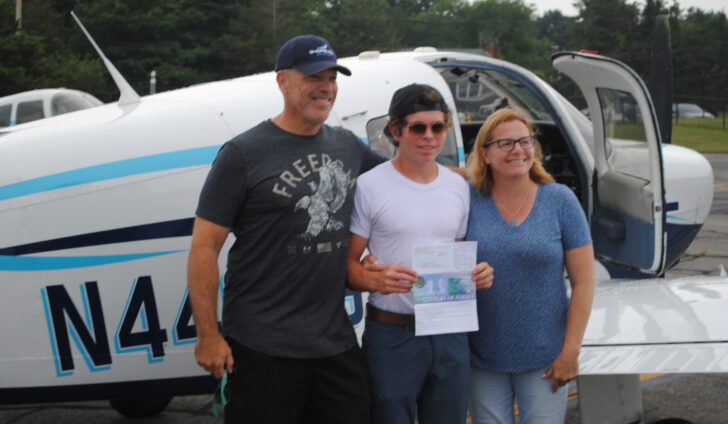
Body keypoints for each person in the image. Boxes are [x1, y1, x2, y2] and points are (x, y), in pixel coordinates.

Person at [187, 34, 385, 424]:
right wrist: (208, 336)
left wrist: (487, 177)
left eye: (331, 77)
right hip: (263, 347)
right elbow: (204, 247)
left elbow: (407, 182)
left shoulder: (347, 146)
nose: (325, 87)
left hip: (335, 342)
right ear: (283, 81)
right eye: (314, 76)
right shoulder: (243, 154)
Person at [347, 83, 494, 424]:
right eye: (418, 127)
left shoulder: (459, 187)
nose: (429, 136)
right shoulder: (370, 185)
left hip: (449, 331)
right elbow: (348, 265)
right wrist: (374, 279)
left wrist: (477, 275)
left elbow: (456, 254)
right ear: (396, 131)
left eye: (438, 127)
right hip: (393, 334)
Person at [465, 107, 595, 424]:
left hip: (545, 356)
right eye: (506, 143)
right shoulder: (466, 199)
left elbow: (584, 283)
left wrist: (571, 352)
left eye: (525, 141)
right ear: (485, 153)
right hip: (482, 356)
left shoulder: (560, 200)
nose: (518, 150)